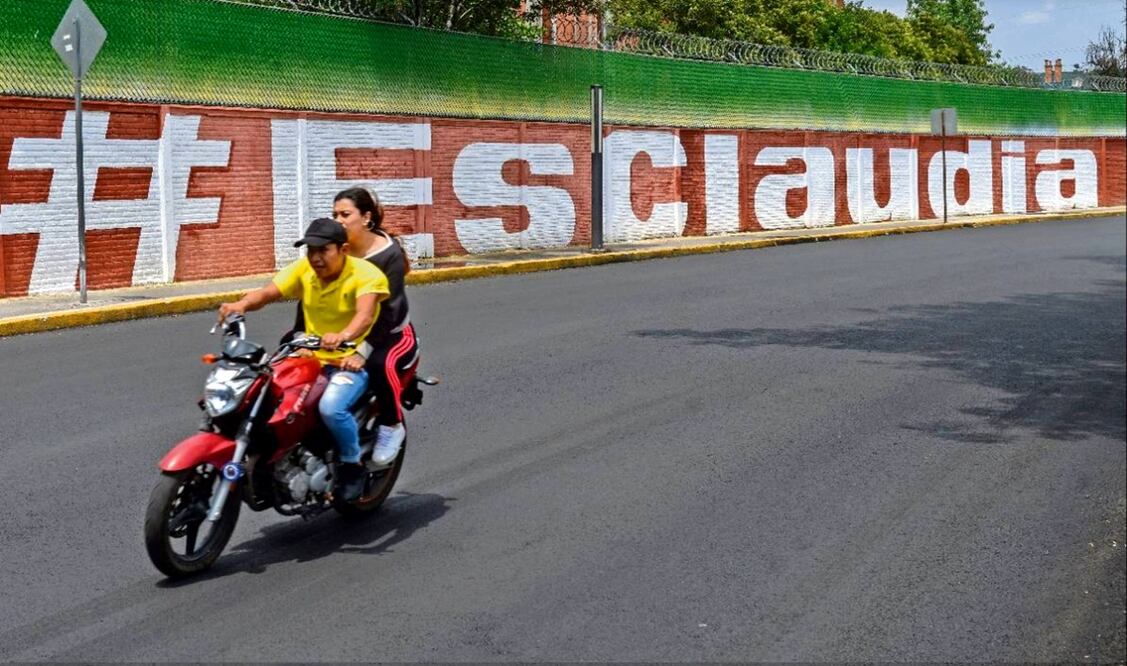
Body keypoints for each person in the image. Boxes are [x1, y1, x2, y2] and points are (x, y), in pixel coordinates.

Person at [218, 218, 389, 501]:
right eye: (311, 250)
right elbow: (267, 292)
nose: (316, 257)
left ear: (343, 250)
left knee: (332, 408)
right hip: (307, 356)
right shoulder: (305, 270)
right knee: (263, 390)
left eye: (323, 250)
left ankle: (351, 465)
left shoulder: (365, 274)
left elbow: (365, 315)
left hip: (349, 360)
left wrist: (343, 335)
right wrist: (241, 305)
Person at [292, 187, 418, 466]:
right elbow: (311, 297)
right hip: (343, 333)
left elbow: (388, 313)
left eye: (345, 214)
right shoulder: (333, 249)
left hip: (390, 334)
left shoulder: (388, 256)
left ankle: (391, 426)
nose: (339, 220)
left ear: (366, 218)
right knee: (288, 356)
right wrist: (301, 335)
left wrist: (362, 351)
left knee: (378, 365)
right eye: (335, 214)